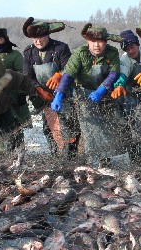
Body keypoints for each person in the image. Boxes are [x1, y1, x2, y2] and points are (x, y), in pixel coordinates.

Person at [52, 23, 122, 167]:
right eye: (93, 41)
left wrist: (102, 90)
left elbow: (114, 73)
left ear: (105, 42)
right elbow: (68, 74)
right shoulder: (80, 53)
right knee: (90, 128)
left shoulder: (112, 52)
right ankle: (93, 162)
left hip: (103, 95)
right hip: (83, 95)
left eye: (100, 41)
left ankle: (105, 161)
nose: (97, 45)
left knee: (106, 128)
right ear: (88, 41)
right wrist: (59, 94)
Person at [22, 17, 77, 159]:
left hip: (64, 95)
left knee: (67, 128)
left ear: (48, 35)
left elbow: (70, 69)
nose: (38, 41)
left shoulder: (61, 48)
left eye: (41, 37)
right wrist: (40, 91)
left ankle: (69, 158)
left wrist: (59, 75)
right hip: (43, 95)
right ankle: (56, 157)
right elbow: (28, 76)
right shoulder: (28, 52)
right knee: (48, 129)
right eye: (34, 38)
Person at [110, 30, 141, 165]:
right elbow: (123, 75)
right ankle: (137, 161)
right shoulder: (124, 60)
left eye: (132, 47)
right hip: (130, 96)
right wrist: (119, 85)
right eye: (126, 48)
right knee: (134, 129)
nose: (130, 51)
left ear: (137, 45)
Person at [0, 28, 30, 155]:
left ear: (5, 39)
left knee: (16, 128)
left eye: (0, 39)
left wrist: (21, 94)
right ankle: (1, 157)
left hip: (14, 97)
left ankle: (19, 155)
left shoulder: (15, 55)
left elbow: (22, 75)